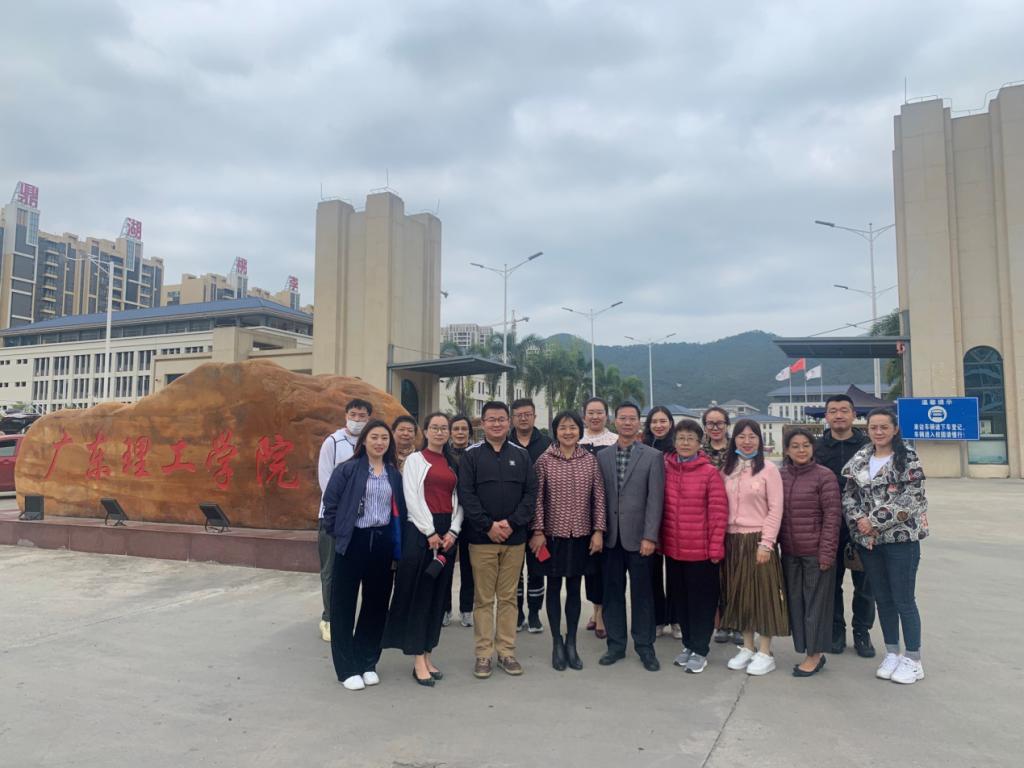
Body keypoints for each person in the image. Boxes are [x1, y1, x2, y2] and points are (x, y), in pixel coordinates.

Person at [842, 409, 928, 685]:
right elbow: (849, 495)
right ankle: (892, 652)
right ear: (867, 430)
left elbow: (912, 498)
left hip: (901, 540)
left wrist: (875, 520)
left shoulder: (908, 458)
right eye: (873, 427)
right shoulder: (860, 458)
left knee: (904, 599)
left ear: (895, 430)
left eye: (884, 427)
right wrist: (860, 520)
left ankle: (913, 659)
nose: (878, 432)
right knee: (883, 598)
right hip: (870, 542)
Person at [322, 419, 406, 691]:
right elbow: (330, 505)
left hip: (382, 542)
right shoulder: (347, 469)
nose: (379, 442)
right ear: (364, 441)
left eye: (384, 438)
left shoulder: (393, 473)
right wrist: (340, 533)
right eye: (374, 437)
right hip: (353, 541)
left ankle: (367, 661)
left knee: (376, 605)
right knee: (344, 605)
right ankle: (346, 668)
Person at [459, 401, 538, 679]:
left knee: (508, 598)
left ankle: (506, 652)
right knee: (483, 599)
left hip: (514, 540)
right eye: (491, 419)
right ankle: (483, 654)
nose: (496, 424)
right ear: (482, 423)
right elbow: (466, 495)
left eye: (501, 419)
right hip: (481, 540)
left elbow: (531, 494)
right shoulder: (470, 456)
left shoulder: (522, 455)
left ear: (509, 422)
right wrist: (488, 526)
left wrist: (511, 523)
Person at [382, 413, 463, 687]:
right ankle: (417, 658)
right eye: (435, 427)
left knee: (438, 597)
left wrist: (453, 531)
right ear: (425, 431)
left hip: (447, 533)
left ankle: (428, 654)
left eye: (444, 428)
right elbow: (412, 498)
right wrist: (430, 532)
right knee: (420, 594)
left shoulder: (453, 462)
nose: (440, 432)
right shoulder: (416, 460)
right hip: (420, 532)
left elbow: (459, 500)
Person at [531, 411, 607, 671]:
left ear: (580, 431)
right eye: (563, 427)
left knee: (574, 590)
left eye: (573, 427)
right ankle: (557, 642)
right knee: (553, 588)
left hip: (581, 535)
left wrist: (598, 530)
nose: (568, 432)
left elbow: (599, 497)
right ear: (555, 431)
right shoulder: (544, 460)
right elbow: (537, 499)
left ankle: (571, 643)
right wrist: (538, 531)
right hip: (553, 536)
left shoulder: (590, 460)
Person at [596, 402, 665, 672]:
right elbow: (599, 498)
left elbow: (655, 500)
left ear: (639, 422)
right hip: (611, 539)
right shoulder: (602, 456)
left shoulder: (653, 457)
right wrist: (599, 531)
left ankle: (645, 647)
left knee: (642, 595)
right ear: (615, 422)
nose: (627, 423)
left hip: (640, 540)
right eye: (622, 418)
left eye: (632, 418)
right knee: (612, 593)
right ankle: (615, 645)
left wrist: (650, 536)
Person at [720, 419, 789, 676]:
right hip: (732, 539)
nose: (747, 441)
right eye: (741, 436)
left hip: (758, 539)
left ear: (760, 440)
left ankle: (765, 651)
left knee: (763, 594)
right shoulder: (727, 469)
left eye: (752, 436)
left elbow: (776, 509)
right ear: (734, 440)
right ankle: (748, 647)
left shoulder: (769, 470)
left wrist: (767, 543)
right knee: (739, 595)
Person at [660, 419, 728, 674]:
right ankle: (688, 644)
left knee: (702, 602)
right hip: (674, 550)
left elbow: (718, 514)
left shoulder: (709, 473)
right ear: (674, 442)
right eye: (681, 438)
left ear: (700, 443)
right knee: (681, 601)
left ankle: (700, 649)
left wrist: (715, 548)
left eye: (691, 439)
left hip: (701, 552)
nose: (685, 443)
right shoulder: (666, 469)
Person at [814, 394, 876, 658]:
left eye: (843, 410)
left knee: (866, 584)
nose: (838, 415)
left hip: (863, 525)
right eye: (833, 411)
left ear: (853, 414)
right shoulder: (816, 447)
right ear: (826, 416)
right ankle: (835, 630)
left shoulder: (869, 446)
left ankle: (862, 631)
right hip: (828, 526)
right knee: (831, 582)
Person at [779, 428, 842, 677]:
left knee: (816, 606)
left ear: (813, 448)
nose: (801, 450)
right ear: (787, 450)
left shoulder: (824, 476)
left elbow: (832, 517)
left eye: (806, 445)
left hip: (816, 553)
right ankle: (808, 649)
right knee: (797, 604)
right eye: (795, 446)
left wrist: (827, 553)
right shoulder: (781, 476)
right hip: (790, 553)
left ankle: (814, 655)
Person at [316, 398, 373, 643]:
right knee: (331, 570)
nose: (357, 420)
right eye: (353, 414)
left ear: (369, 419)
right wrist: (341, 513)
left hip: (362, 521)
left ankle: (349, 617)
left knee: (354, 571)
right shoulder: (333, 442)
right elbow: (326, 482)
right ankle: (329, 618)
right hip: (334, 518)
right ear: (346, 415)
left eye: (362, 416)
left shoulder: (371, 443)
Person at [509, 398, 552, 633]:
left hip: (540, 521)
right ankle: (517, 614)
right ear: (512, 418)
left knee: (537, 569)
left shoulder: (547, 444)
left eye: (528, 414)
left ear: (535, 417)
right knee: (514, 571)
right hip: (512, 520)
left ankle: (534, 614)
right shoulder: (504, 443)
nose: (523, 418)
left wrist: (541, 528)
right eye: (519, 415)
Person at [579, 396, 617, 640]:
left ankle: (602, 615)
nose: (595, 416)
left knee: (607, 567)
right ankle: (596, 611)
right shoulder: (576, 440)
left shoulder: (615, 441)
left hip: (610, 513)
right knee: (590, 568)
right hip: (582, 514)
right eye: (590, 412)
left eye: (599, 412)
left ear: (607, 415)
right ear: (584, 416)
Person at [702, 406, 741, 646]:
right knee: (713, 575)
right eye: (710, 423)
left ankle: (736, 622)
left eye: (720, 423)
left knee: (735, 574)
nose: (715, 428)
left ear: (727, 425)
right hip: (706, 520)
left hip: (736, 519)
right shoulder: (699, 452)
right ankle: (719, 622)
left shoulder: (738, 451)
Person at [643, 406, 679, 640]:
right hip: (650, 518)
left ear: (670, 423)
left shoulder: (678, 449)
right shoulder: (643, 447)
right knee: (652, 572)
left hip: (674, 516)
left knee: (675, 572)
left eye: (663, 421)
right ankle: (658, 619)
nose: (658, 425)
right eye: (654, 421)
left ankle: (676, 619)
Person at [444, 414, 475, 628]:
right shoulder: (442, 455)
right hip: (448, 515)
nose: (460, 432)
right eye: (456, 429)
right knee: (445, 565)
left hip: (471, 518)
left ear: (469, 432)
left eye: (464, 429)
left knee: (468, 566)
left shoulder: (476, 453)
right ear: (450, 432)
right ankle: (444, 608)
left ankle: (466, 609)